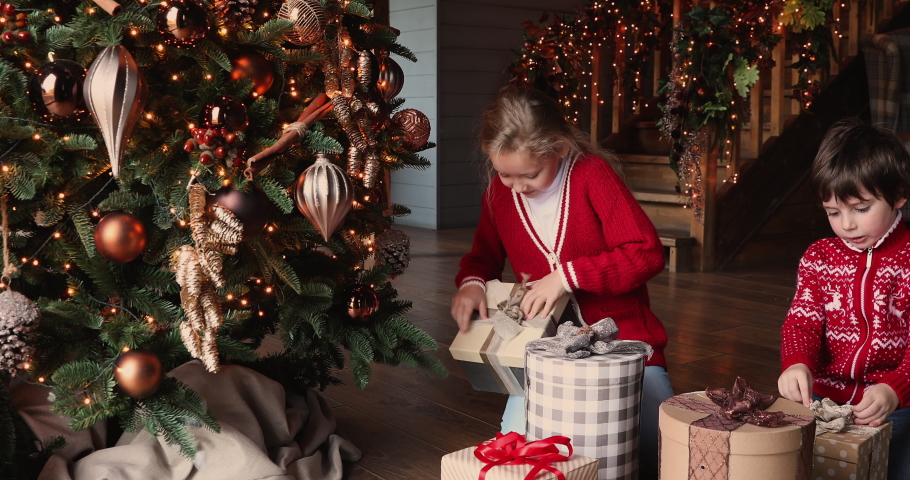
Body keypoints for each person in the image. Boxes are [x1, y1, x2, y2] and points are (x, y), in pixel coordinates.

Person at [450, 86, 673, 480]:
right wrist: (472, 283)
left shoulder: (592, 176)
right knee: (516, 453)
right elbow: (482, 258)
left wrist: (567, 277)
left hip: (624, 344)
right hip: (542, 355)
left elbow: (647, 253)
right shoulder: (500, 197)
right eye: (504, 174)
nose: (516, 186)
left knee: (663, 446)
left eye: (530, 175)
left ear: (561, 147)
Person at [778, 118, 910, 479]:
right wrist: (796, 363)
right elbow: (801, 322)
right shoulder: (819, 257)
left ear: (899, 194)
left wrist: (895, 389)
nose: (846, 225)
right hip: (823, 399)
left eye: (861, 209)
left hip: (895, 402)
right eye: (833, 212)